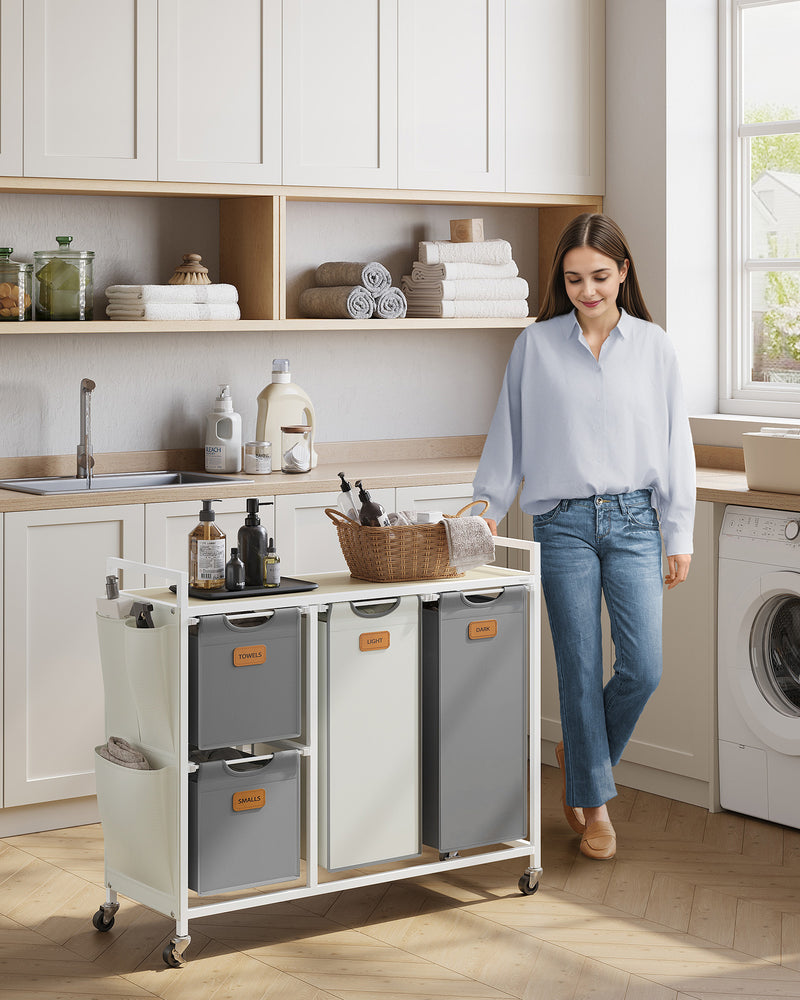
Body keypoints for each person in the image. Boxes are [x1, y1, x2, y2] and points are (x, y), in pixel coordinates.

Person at [472, 213, 695, 861]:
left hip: (635, 523)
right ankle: (594, 807)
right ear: (560, 280)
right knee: (577, 666)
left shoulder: (656, 347)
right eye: (573, 279)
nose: (587, 290)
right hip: (562, 523)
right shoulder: (535, 347)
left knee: (643, 667)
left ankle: (582, 753)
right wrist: (486, 506)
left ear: (623, 272)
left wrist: (677, 530)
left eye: (600, 276)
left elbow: (675, 445)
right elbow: (508, 436)